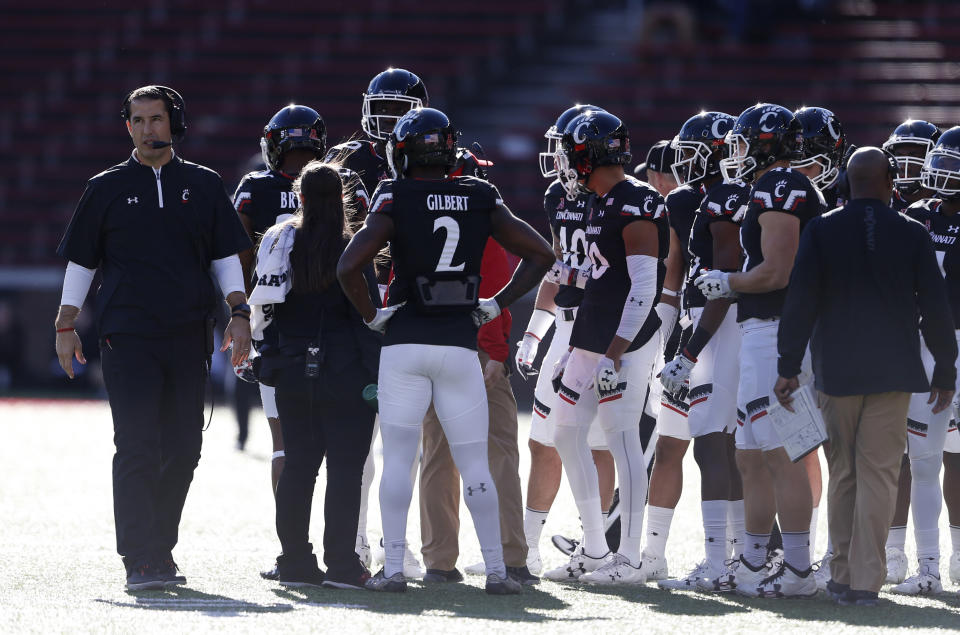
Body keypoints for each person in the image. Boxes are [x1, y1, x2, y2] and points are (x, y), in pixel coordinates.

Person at [337, 107, 554, 594]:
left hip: (405, 342)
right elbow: (542, 254)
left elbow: (349, 265)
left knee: (398, 459)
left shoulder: (394, 193)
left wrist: (372, 313)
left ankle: (394, 569)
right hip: (459, 343)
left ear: (404, 153)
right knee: (475, 462)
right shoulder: (479, 194)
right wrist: (495, 304)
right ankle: (498, 572)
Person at [54, 85, 252, 590]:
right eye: (137, 120)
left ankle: (159, 549)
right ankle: (139, 559)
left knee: (185, 448)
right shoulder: (105, 187)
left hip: (188, 335)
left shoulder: (205, 186)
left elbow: (224, 257)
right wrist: (64, 324)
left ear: (174, 122)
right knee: (138, 445)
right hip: (127, 337)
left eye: (156, 119)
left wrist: (239, 313)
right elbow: (82, 261)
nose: (147, 128)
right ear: (128, 127)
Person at [774, 146, 957, 606]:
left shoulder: (822, 229)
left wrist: (787, 365)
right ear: (891, 183)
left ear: (848, 182)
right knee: (880, 474)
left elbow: (800, 300)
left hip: (837, 367)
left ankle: (839, 574)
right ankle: (865, 582)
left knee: (844, 474)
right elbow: (936, 307)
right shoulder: (913, 232)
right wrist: (946, 367)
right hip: (895, 368)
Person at [696, 103, 825, 598]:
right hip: (760, 334)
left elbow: (777, 272)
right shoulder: (769, 186)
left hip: (778, 334)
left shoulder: (780, 185)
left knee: (782, 453)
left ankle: (797, 571)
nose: (738, 154)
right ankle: (753, 561)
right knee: (750, 454)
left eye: (745, 143)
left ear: (766, 142)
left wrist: (724, 280)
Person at [545, 109, 669, 585]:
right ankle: (595, 550)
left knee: (621, 442)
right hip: (592, 337)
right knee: (565, 432)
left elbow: (643, 287)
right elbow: (606, 274)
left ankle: (631, 559)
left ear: (588, 154)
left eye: (570, 151)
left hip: (625, 342)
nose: (563, 160)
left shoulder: (634, 200)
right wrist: (570, 276)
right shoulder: (600, 200)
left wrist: (615, 353)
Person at [248, 161, 380, 589]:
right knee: (345, 471)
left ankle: (295, 563)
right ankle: (342, 565)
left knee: (299, 467)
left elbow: (264, 310)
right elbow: (370, 316)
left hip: (291, 370)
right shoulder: (354, 245)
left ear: (300, 198)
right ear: (342, 199)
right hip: (346, 373)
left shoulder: (281, 243)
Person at [517, 104, 616, 576]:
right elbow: (559, 266)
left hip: (601, 329)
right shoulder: (558, 196)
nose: (556, 157)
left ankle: (594, 546)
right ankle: (528, 547)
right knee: (543, 441)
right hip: (567, 325)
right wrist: (535, 334)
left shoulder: (615, 196)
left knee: (597, 445)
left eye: (564, 147)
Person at [655, 111, 749, 591]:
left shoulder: (725, 198)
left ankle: (721, 564)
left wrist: (689, 353)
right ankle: (738, 559)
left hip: (721, 328)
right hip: (718, 327)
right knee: (724, 447)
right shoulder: (714, 197)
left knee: (713, 444)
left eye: (694, 153)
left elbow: (724, 284)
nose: (684, 163)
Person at [892, 128, 960, 594]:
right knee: (922, 460)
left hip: (943, 344)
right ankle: (930, 567)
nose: (940, 171)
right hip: (924, 344)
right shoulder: (915, 215)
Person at [880, 118, 943, 581]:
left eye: (917, 153)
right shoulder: (907, 216)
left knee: (930, 460)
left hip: (940, 345)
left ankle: (935, 562)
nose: (907, 165)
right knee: (905, 456)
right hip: (910, 342)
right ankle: (899, 555)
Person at [882, 119, 941, 213]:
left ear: (934, 160)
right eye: (899, 155)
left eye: (913, 155)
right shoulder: (881, 201)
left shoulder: (950, 204)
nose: (903, 166)